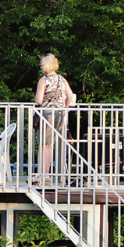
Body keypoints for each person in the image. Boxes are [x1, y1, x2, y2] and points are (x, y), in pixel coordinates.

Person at [34, 53, 76, 183]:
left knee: (45, 144)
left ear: (46, 66)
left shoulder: (44, 80)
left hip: (47, 113)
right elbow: (70, 96)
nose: (41, 67)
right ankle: (58, 175)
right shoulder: (62, 80)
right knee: (56, 144)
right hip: (61, 114)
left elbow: (39, 100)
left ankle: (43, 174)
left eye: (42, 65)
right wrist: (66, 107)